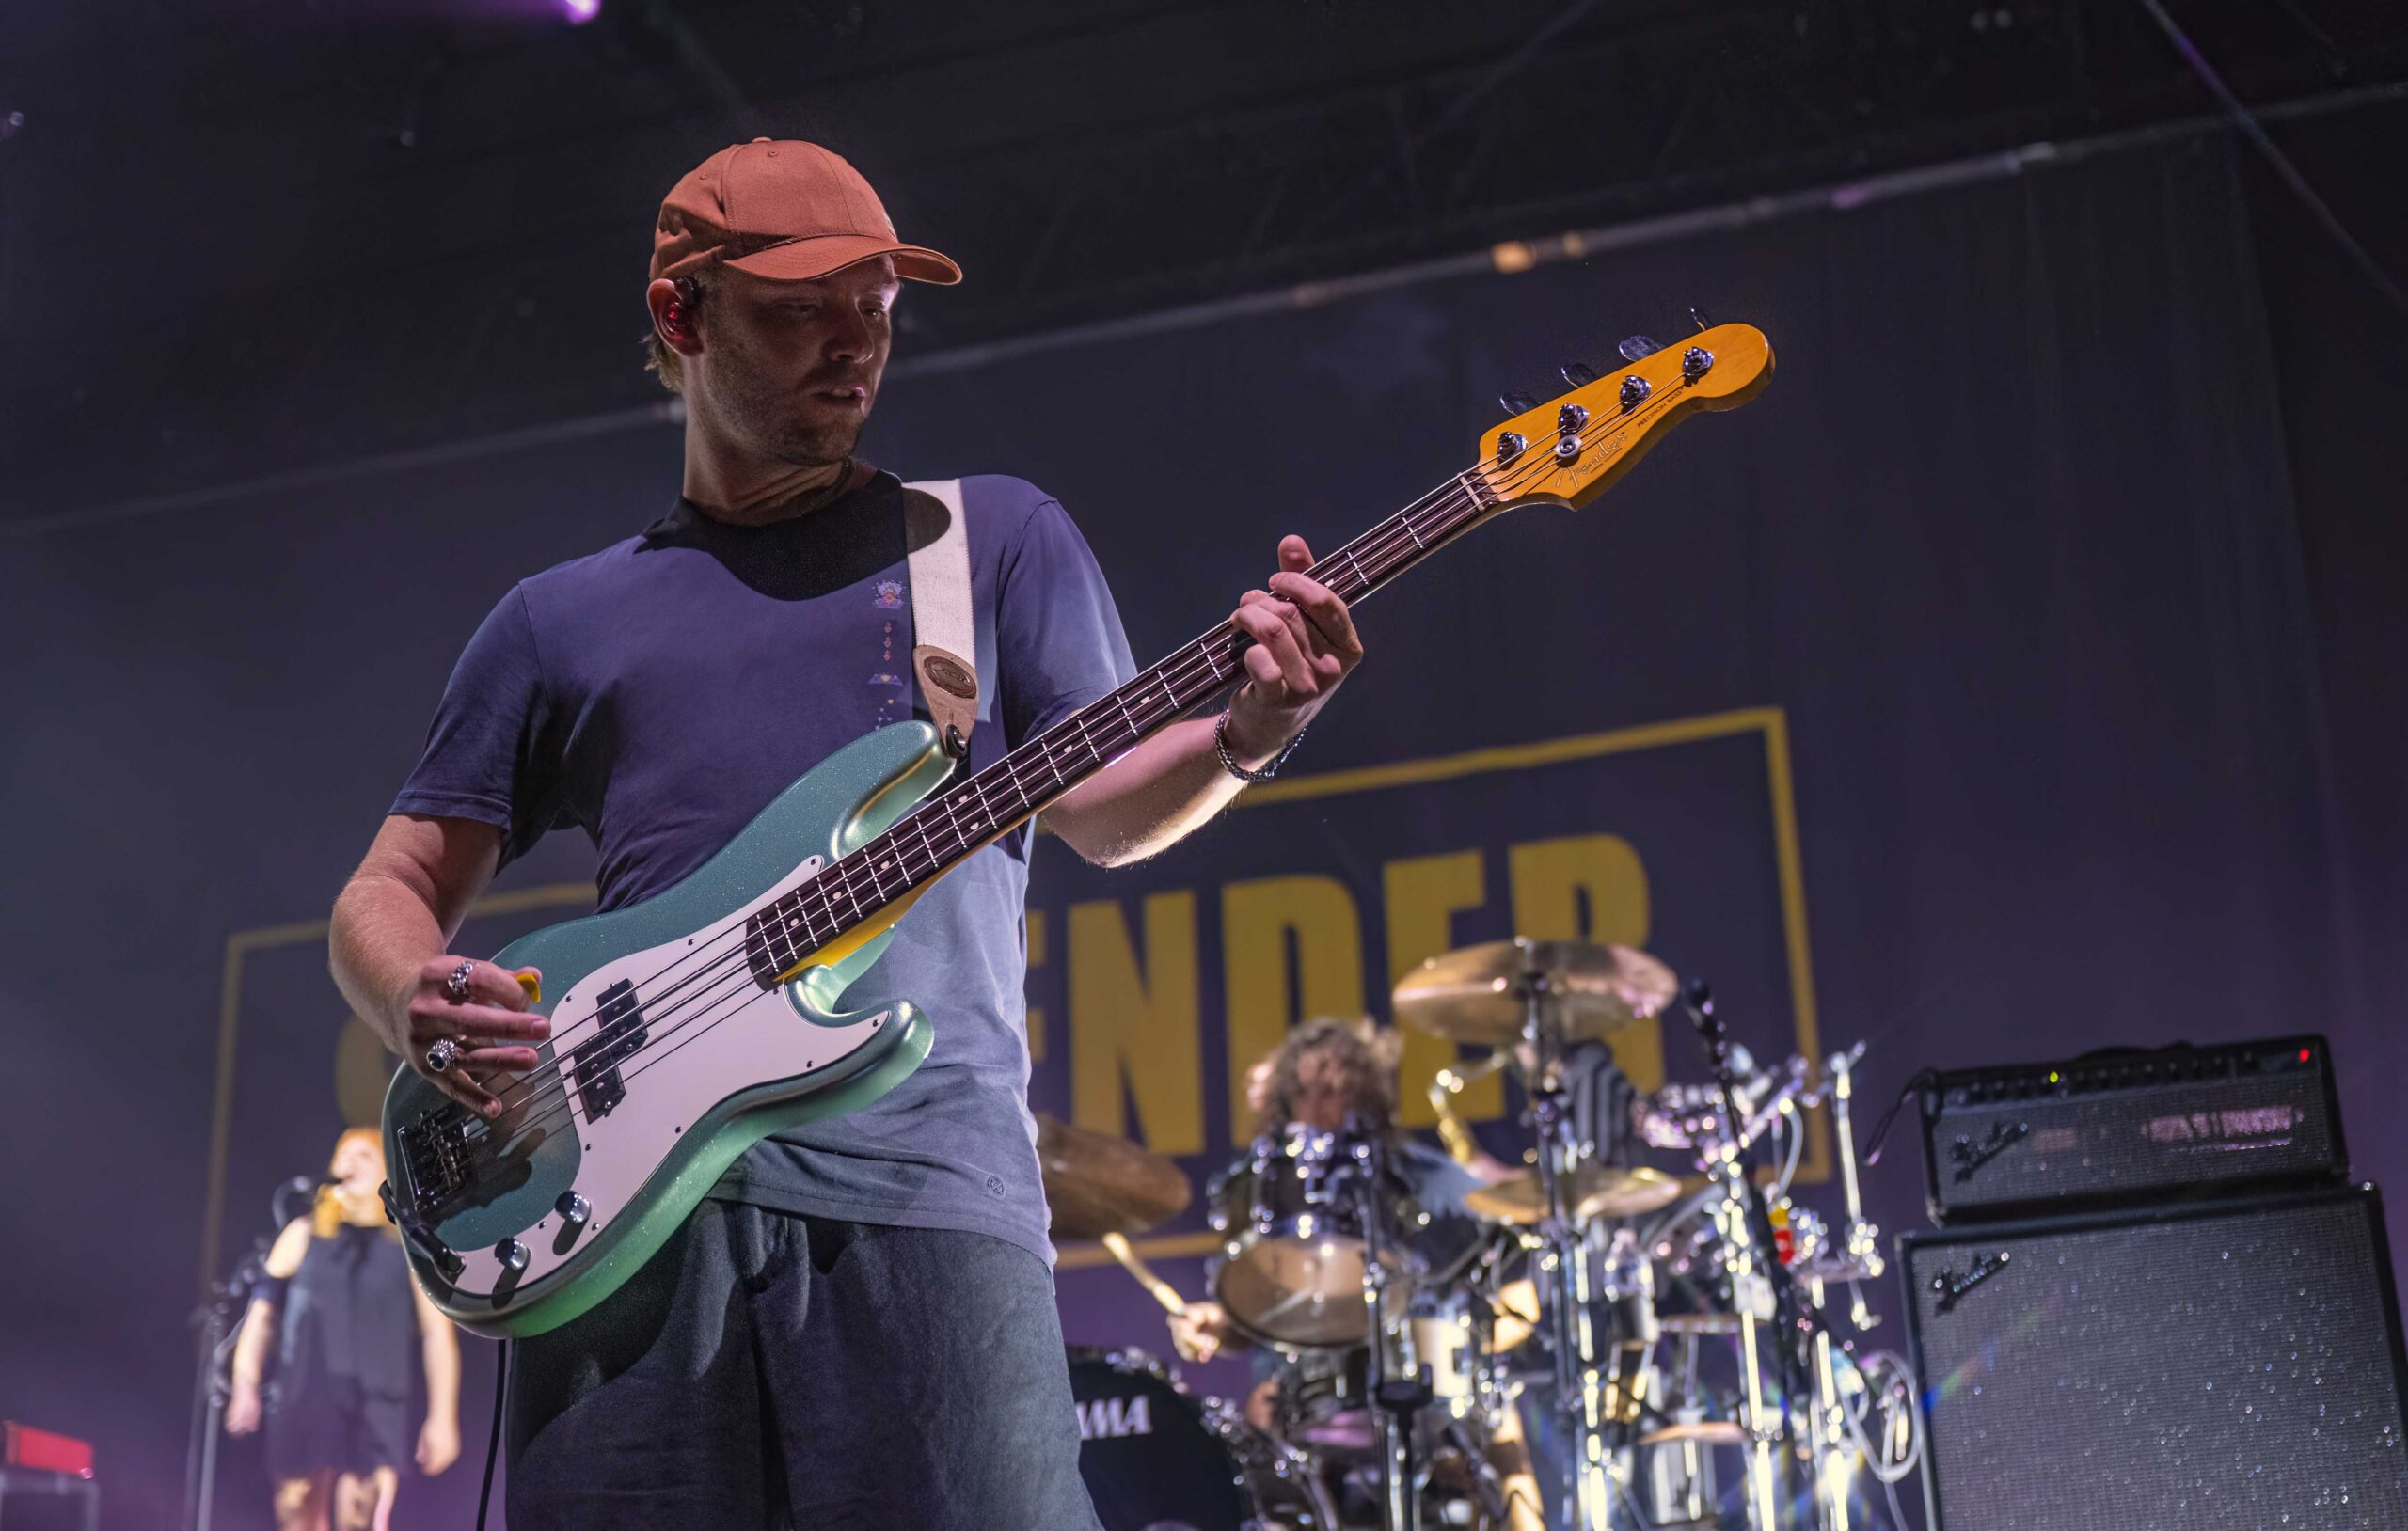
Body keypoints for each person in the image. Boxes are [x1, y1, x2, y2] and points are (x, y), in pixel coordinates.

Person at [326, 137, 1363, 1529]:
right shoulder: (555, 620)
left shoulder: (988, 540)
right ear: (682, 316)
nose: (854, 344)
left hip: (929, 1201)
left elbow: (1104, 804)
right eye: (800, 311)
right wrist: (412, 993)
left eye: (874, 308)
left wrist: (1249, 731)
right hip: (614, 1221)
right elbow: (392, 883)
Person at [1171, 1018, 1546, 1531]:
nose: (1324, 1108)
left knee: (1500, 1418)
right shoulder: (1264, 1192)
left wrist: (1465, 1350)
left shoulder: (1431, 1183)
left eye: (1339, 1092)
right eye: (1310, 1093)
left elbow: (1519, 1299)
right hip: (1299, 1400)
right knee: (1252, 1445)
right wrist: (1219, 1325)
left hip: (1424, 1390)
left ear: (1370, 1099)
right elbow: (1259, 1316)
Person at [226, 1128, 461, 1531]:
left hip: (377, 1402)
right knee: (297, 1510)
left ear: (388, 1175)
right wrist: (245, 1382)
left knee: (361, 1516)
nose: (350, 1163)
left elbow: (438, 1335)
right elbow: (260, 1316)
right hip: (305, 1393)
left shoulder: (408, 1246)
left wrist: (443, 1416)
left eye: (365, 1156)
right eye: (344, 1155)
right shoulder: (302, 1234)